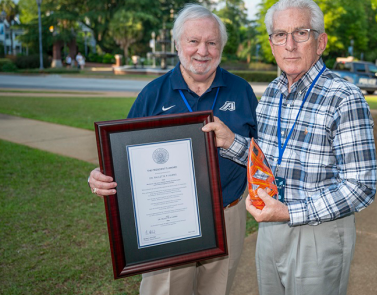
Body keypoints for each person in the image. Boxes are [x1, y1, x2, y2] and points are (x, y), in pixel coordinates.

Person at [202, 0, 377, 294]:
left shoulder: (344, 97)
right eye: (280, 35)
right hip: (271, 225)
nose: (290, 45)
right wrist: (230, 141)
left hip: (317, 232)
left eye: (301, 33)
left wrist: (290, 212)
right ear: (272, 45)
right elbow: (267, 161)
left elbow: (361, 186)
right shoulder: (272, 94)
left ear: (320, 42)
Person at [88, 4, 258, 295]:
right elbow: (122, 157)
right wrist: (100, 177)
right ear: (178, 44)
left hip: (227, 214)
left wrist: (233, 142)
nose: (202, 51)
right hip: (166, 218)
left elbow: (264, 156)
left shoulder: (241, 91)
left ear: (221, 47)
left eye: (211, 42)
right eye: (193, 41)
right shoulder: (153, 94)